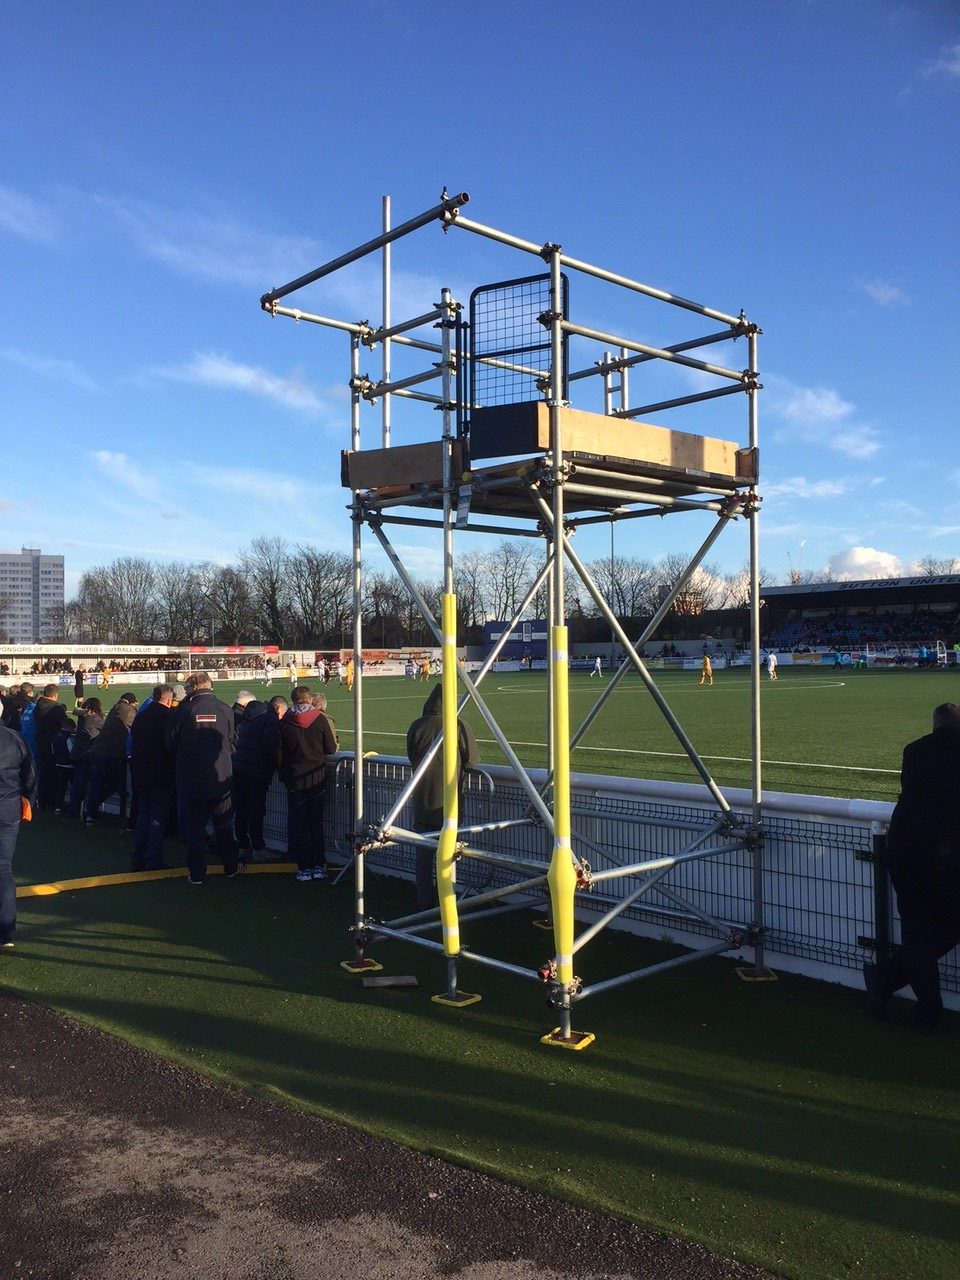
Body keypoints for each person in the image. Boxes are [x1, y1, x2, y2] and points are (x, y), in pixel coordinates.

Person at [865, 704, 960, 1033]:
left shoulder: (914, 750)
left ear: (934, 725)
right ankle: (889, 981)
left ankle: (905, 994)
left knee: (917, 931)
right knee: (943, 929)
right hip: (941, 857)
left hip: (905, 851)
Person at [406, 684, 479, 911]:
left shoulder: (417, 726)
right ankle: (446, 898)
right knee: (449, 853)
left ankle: (424, 898)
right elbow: (472, 761)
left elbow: (411, 756)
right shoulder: (457, 726)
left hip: (422, 800)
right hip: (450, 802)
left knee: (424, 855)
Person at [166, 672, 239, 884]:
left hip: (192, 776)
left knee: (195, 828)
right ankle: (230, 866)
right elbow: (232, 740)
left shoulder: (184, 710)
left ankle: (196, 872)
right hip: (221, 776)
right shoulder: (225, 708)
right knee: (224, 825)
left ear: (194, 687)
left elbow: (171, 741)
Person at [278, 686, 338, 882]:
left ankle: (303, 867)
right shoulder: (319, 719)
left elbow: (278, 752)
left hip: (294, 778)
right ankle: (319, 865)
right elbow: (330, 748)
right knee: (316, 823)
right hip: (317, 777)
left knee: (300, 823)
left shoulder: (285, 722)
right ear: (310, 699)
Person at [0, 716, 38, 951]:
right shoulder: (14, 738)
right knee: (4, 869)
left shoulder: (14, 737)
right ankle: (6, 932)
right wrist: (28, 799)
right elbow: (31, 774)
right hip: (9, 809)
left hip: (9, 806)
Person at [129, 684, 176, 871]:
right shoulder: (167, 717)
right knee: (157, 819)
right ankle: (153, 858)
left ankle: (138, 857)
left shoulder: (141, 717)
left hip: (142, 773)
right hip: (161, 774)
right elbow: (171, 745)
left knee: (143, 816)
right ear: (169, 699)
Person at [233, 695, 285, 862]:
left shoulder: (248, 716)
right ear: (278, 709)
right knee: (256, 810)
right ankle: (258, 847)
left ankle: (243, 844)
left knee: (242, 808)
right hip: (257, 771)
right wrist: (278, 764)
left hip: (240, 767)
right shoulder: (268, 719)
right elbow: (271, 747)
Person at [84, 693, 138, 823]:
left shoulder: (115, 708)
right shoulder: (129, 711)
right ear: (131, 702)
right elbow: (136, 728)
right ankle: (92, 807)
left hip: (98, 750)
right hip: (110, 754)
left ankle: (90, 811)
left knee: (96, 784)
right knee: (115, 784)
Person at [66, 697, 104, 818]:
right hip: (88, 754)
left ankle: (74, 808)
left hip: (77, 753)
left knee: (78, 783)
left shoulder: (83, 717)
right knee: (88, 783)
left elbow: (76, 710)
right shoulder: (96, 719)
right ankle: (87, 809)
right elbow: (107, 728)